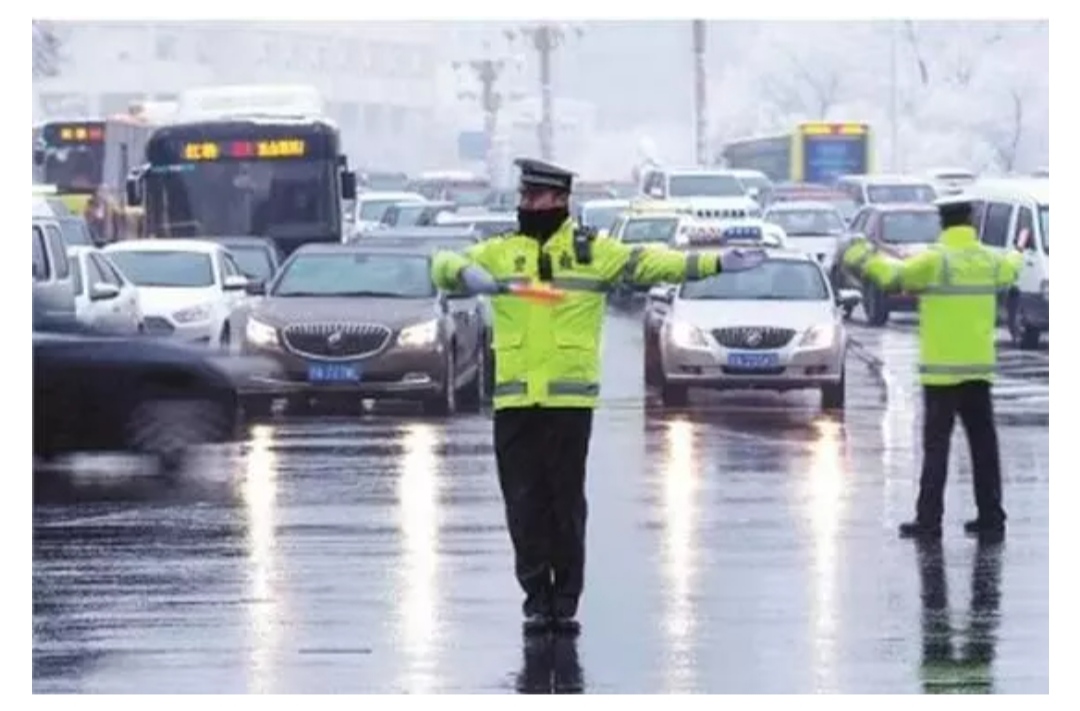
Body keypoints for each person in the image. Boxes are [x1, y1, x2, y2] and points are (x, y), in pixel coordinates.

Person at [430, 158, 768, 635]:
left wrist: (713, 262)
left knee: (564, 502)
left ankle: (564, 599)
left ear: (560, 201)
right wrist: (464, 272)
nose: (526, 204)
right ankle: (535, 596)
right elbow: (440, 264)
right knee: (522, 504)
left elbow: (651, 261)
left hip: (569, 402)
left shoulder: (593, 253)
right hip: (515, 402)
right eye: (523, 197)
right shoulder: (501, 253)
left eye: (535, 197)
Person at [841, 195, 1023, 539]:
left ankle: (929, 521)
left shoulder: (934, 262)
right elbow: (1011, 269)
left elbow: (891, 277)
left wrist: (858, 256)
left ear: (944, 223)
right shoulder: (988, 260)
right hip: (978, 373)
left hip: (941, 376)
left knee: (936, 449)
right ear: (969, 222)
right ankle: (991, 516)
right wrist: (1017, 249)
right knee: (984, 448)